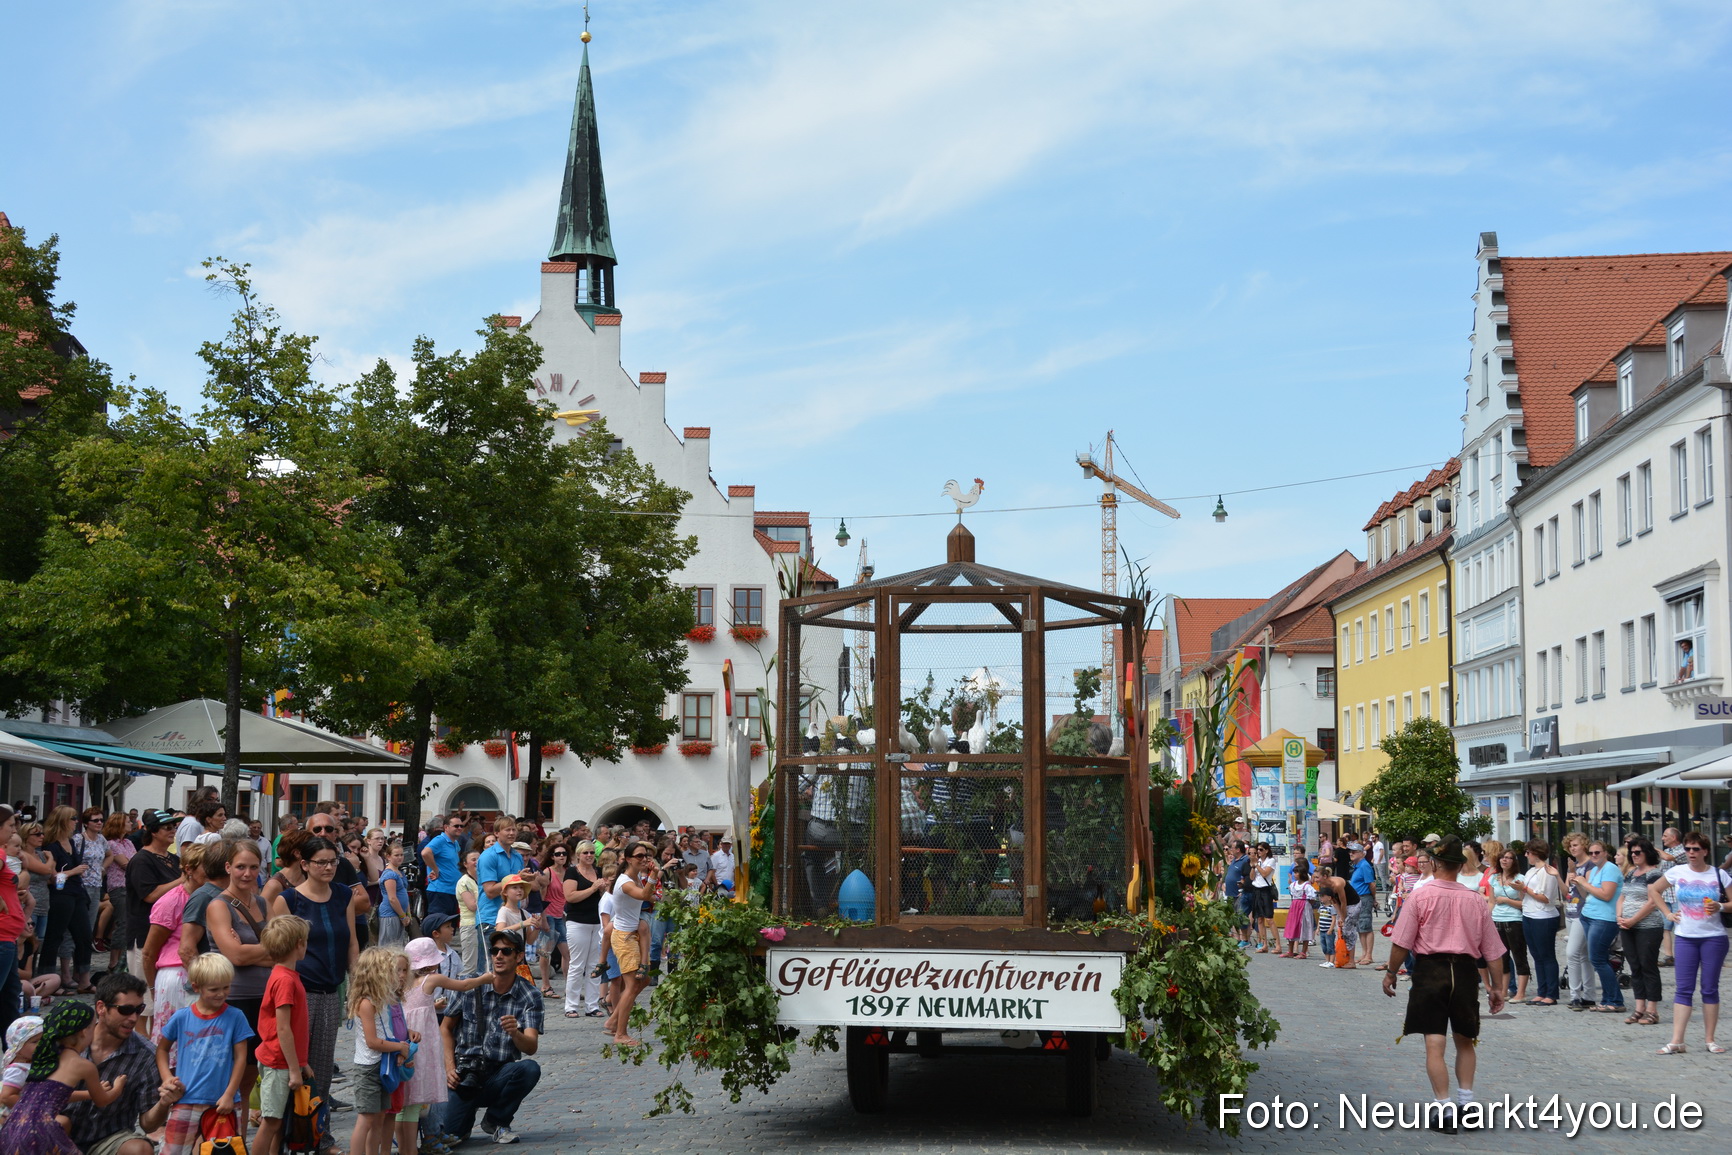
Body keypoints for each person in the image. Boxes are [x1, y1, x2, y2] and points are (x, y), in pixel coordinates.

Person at [1381, 838, 1507, 1135]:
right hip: (1464, 972)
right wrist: (1497, 988)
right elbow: (1493, 950)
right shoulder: (1475, 899)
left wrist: (1390, 973)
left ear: (1435, 864)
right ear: (1461, 866)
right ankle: (1468, 1105)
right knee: (1465, 1040)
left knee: (1434, 1043)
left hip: (1431, 970)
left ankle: (1444, 1109)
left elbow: (1401, 941)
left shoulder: (1420, 897)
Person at [268, 836, 360, 1116]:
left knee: (323, 1065)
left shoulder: (343, 894)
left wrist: (355, 982)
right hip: (300, 991)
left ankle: (319, 1135)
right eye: (321, 862)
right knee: (294, 1063)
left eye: (333, 861)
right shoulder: (289, 899)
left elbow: (352, 942)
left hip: (332, 990)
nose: (329, 867)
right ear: (305, 864)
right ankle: (286, 1130)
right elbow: (279, 952)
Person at [438, 929, 542, 1145]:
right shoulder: (469, 985)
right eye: (495, 951)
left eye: (506, 951)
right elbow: (445, 1029)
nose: (499, 956)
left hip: (499, 1073)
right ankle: (463, 1122)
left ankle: (497, 1120)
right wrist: (449, 1067)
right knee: (449, 1136)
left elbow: (531, 1047)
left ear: (519, 956)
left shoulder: (530, 995)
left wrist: (515, 1032)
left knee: (529, 1068)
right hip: (465, 1072)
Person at [64, 972, 176, 1155]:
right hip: (58, 1130)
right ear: (101, 1007)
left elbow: (148, 1125)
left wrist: (163, 1103)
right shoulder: (69, 1039)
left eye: (139, 1010)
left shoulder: (146, 1055)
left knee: (140, 1149)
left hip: (107, 1140)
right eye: (125, 1010)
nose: (133, 1018)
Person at [0, 1001, 128, 1155]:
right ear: (83, 1032)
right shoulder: (84, 1066)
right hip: (42, 1130)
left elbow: (50, 1094)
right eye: (93, 1026)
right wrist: (118, 1087)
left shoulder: (44, 1056)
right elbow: (102, 1100)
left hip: (13, 1126)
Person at [154, 953, 252, 1155]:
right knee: (173, 1151)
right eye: (214, 989)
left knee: (225, 1151)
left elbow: (241, 1058)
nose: (221, 993)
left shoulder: (235, 1016)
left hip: (223, 1102)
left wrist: (229, 1094)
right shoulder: (182, 1017)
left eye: (226, 987)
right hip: (187, 1098)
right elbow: (162, 1049)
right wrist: (167, 1078)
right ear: (197, 987)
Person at [197, 841, 272, 1102]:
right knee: (228, 1075)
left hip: (264, 998)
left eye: (253, 867)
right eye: (240, 867)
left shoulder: (262, 903)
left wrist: (250, 952)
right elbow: (236, 956)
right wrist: (265, 952)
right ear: (228, 867)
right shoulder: (218, 905)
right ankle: (214, 1138)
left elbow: (284, 951)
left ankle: (238, 1136)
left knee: (250, 1075)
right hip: (233, 999)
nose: (247, 874)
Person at [399, 939, 489, 1155]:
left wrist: (432, 1004)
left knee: (418, 1088)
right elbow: (464, 985)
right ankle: (430, 1136)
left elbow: (413, 1007)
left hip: (409, 1039)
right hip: (425, 1042)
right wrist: (484, 978)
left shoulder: (405, 983)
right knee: (428, 1086)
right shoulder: (432, 979)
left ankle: (431, 1133)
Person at [1654, 831, 1731, 1054]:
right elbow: (1654, 890)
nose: (1691, 853)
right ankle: (1677, 1040)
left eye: (1696, 849)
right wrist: (1668, 914)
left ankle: (1710, 1039)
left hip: (1713, 937)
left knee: (1709, 988)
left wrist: (1720, 906)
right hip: (1686, 937)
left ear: (1705, 851)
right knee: (1683, 989)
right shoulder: (1678, 872)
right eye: (1687, 849)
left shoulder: (1718, 874)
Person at [253, 915, 312, 1155]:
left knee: (278, 1120)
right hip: (278, 1061)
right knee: (271, 1121)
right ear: (299, 944)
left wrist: (302, 1062)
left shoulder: (281, 975)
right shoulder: (285, 980)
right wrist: (295, 1069)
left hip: (283, 1060)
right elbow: (283, 1028)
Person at [348, 948, 413, 1155]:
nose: (396, 976)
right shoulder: (366, 1003)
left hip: (382, 1066)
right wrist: (399, 1047)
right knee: (367, 1119)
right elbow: (373, 1041)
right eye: (391, 971)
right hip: (368, 1069)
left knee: (379, 1118)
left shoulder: (382, 1001)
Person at [141, 845, 206, 1048]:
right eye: (207, 868)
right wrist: (152, 988)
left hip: (197, 975)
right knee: (173, 1042)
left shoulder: (205, 897)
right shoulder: (173, 900)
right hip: (176, 975)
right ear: (189, 870)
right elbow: (149, 952)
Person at [35, 807, 95, 995]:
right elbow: (52, 878)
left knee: (84, 936)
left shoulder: (70, 841)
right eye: (73, 818)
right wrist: (72, 872)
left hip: (77, 892)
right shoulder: (50, 845)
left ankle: (83, 980)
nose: (76, 821)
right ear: (63, 821)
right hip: (61, 895)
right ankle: (49, 981)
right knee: (55, 937)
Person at [125, 811, 184, 1000]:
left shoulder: (173, 859)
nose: (173, 831)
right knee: (146, 998)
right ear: (153, 832)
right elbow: (150, 895)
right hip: (145, 931)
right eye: (167, 827)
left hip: (168, 932)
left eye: (174, 827)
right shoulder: (141, 860)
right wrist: (182, 880)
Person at [603, 844, 655, 1046]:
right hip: (624, 937)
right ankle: (620, 1033)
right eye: (640, 856)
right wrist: (654, 875)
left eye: (646, 855)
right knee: (633, 984)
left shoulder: (635, 878)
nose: (644, 859)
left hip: (633, 933)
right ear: (628, 858)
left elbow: (647, 896)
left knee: (644, 980)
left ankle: (613, 1020)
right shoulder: (624, 881)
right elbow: (643, 896)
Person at [1571, 840, 1624, 1014]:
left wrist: (1584, 884)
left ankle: (1615, 1000)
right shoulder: (1594, 870)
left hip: (1604, 918)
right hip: (1589, 915)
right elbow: (1588, 894)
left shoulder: (1610, 869)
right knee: (1598, 959)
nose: (1594, 855)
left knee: (1598, 959)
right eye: (1591, 852)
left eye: (1597, 852)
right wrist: (1579, 884)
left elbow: (1607, 895)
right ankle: (1608, 998)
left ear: (1605, 853)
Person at [1617, 838, 1666, 1027]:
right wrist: (1619, 917)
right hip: (1627, 926)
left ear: (1647, 853)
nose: (1634, 856)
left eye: (1638, 852)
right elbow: (1622, 897)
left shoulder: (1654, 874)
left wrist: (1633, 919)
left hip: (1648, 926)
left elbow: (1653, 901)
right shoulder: (1630, 874)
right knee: (1634, 966)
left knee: (1648, 966)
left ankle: (1652, 1010)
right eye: (1632, 853)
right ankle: (1639, 1007)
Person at [1511, 839, 1563, 1005]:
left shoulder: (1547, 872)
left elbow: (1546, 898)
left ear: (1535, 853)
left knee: (1546, 954)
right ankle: (1542, 990)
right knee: (1536, 955)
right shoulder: (1531, 871)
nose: (1526, 856)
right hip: (1529, 914)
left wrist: (1525, 889)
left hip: (1544, 916)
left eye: (1528, 852)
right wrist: (1520, 889)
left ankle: (1552, 993)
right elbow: (1525, 894)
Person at [562, 845, 607, 1019]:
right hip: (578, 921)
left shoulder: (599, 870)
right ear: (578, 855)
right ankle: (571, 1006)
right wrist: (593, 888)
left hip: (597, 921)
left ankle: (592, 1005)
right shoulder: (572, 872)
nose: (589, 855)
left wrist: (603, 889)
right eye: (585, 853)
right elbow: (570, 896)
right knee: (577, 965)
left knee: (594, 965)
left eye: (591, 852)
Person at [1487, 849, 1529, 1003]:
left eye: (1509, 858)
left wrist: (1506, 900)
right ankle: (1504, 990)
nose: (1505, 860)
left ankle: (1521, 992)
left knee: (1519, 955)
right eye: (1503, 857)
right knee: (1502, 958)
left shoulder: (1520, 879)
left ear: (1514, 861)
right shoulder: (1494, 878)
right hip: (1497, 919)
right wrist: (1487, 917)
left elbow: (1524, 903)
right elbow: (1491, 901)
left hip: (1514, 920)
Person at [1559, 834, 1594, 1010]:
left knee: (1572, 953)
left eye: (1576, 845)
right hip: (1571, 911)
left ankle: (1575, 995)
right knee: (1583, 956)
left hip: (1584, 912)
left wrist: (1575, 876)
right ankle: (1589, 994)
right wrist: (1561, 875)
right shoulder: (1573, 866)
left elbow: (1586, 893)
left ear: (1584, 845)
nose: (1573, 848)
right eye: (1570, 846)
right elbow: (1567, 891)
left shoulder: (1589, 865)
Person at [96, 814, 135, 972]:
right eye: (127, 822)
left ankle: (122, 959)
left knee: (128, 923)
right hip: (119, 886)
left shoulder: (128, 842)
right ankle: (114, 960)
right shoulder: (111, 844)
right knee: (122, 923)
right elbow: (127, 864)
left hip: (131, 886)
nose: (130, 823)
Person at [476, 820, 526, 940]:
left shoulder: (517, 856)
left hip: (514, 917)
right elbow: (490, 892)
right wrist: (516, 878)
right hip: (491, 918)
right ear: (497, 833)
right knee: (492, 959)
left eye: (513, 830)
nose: (511, 833)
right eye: (507, 830)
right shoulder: (488, 856)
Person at [536, 845, 568, 998]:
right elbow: (542, 897)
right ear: (552, 856)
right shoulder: (548, 872)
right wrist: (543, 919)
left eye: (564, 853)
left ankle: (570, 987)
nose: (562, 856)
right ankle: (545, 985)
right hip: (548, 914)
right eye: (558, 854)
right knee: (545, 952)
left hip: (561, 915)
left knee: (566, 952)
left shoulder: (568, 873)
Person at [421, 817, 465, 925]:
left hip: (451, 890)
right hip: (440, 891)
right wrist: (435, 869)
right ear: (446, 827)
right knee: (439, 927)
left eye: (461, 826)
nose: (459, 828)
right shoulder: (440, 840)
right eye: (456, 826)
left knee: (449, 928)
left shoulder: (455, 843)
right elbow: (425, 853)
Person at [1347, 842, 1377, 967]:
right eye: (1350, 852)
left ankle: (1368, 954)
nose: (1351, 854)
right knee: (1360, 927)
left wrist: (1374, 899)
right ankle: (1364, 953)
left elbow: (1372, 884)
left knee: (1366, 926)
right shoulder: (1357, 866)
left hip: (1364, 898)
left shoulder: (1364, 866)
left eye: (1353, 852)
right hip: (1357, 899)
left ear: (1361, 853)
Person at [378, 843, 410, 948]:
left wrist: (408, 914)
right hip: (390, 914)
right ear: (388, 856)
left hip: (400, 914)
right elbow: (392, 898)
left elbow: (405, 894)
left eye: (401, 855)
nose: (400, 857)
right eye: (396, 855)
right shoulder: (389, 874)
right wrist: (403, 916)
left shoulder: (400, 872)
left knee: (398, 946)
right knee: (388, 947)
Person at [454, 853, 480, 978]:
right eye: (473, 860)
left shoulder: (482, 879)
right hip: (470, 926)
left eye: (479, 859)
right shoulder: (463, 882)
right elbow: (472, 906)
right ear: (465, 864)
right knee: (470, 966)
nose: (477, 862)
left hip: (481, 924)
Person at [1281, 862, 1315, 959]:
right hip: (1294, 906)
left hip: (1304, 906)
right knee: (1292, 926)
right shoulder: (1293, 885)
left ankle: (1303, 951)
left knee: (1305, 927)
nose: (1295, 875)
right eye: (1294, 873)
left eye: (1297, 873)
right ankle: (1290, 950)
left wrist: (1305, 905)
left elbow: (1312, 898)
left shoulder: (1307, 886)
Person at [1246, 845, 1276, 952]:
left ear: (1266, 851)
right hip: (1256, 889)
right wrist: (1254, 867)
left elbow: (1264, 874)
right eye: (1257, 850)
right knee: (1259, 919)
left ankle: (1278, 945)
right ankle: (1264, 944)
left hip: (1265, 890)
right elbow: (1251, 877)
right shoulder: (1258, 862)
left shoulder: (1270, 861)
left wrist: (1257, 865)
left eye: (1260, 850)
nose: (1258, 852)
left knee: (1269, 919)